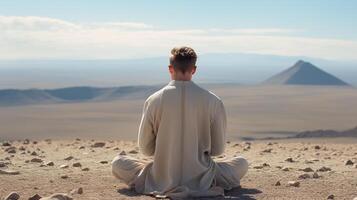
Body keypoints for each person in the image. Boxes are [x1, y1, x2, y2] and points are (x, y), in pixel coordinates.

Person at [112, 46, 248, 199]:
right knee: (242, 163)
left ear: (170, 69)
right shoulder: (213, 101)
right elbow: (217, 150)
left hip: (160, 178)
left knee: (118, 163)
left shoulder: (154, 100)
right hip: (203, 178)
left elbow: (146, 149)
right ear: (194, 69)